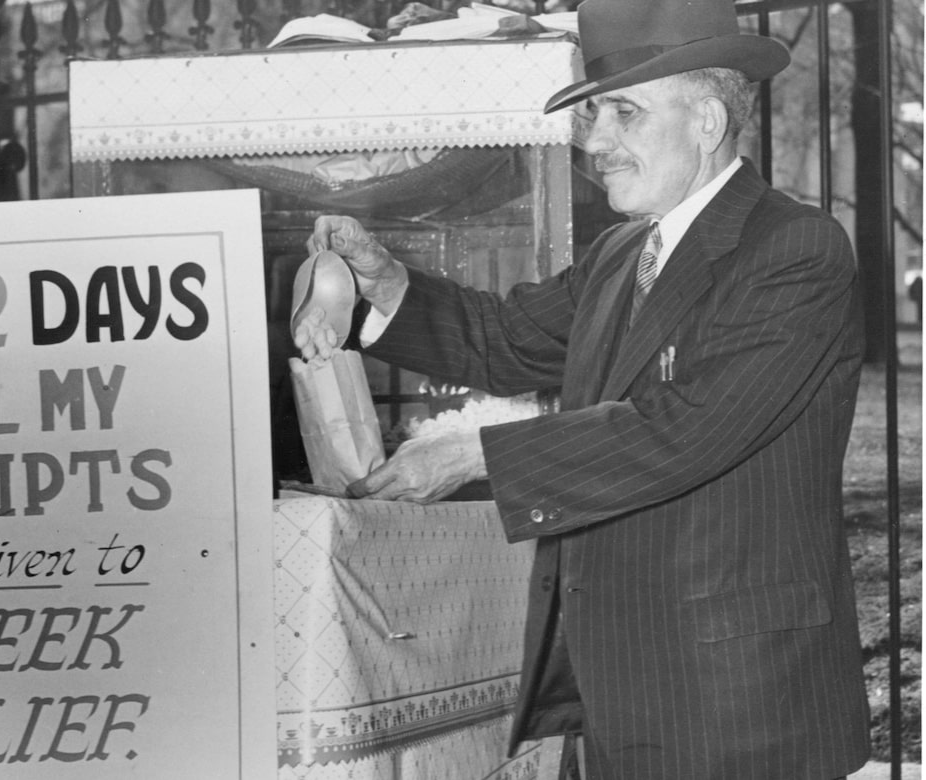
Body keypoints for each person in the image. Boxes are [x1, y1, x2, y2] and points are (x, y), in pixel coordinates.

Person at [293, 0, 872, 776]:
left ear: (706, 119)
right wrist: (385, 279)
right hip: (623, 689)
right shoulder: (621, 253)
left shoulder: (796, 249)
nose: (594, 143)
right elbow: (501, 339)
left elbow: (683, 430)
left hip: (741, 705)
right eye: (595, 115)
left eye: (622, 114)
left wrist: (474, 456)